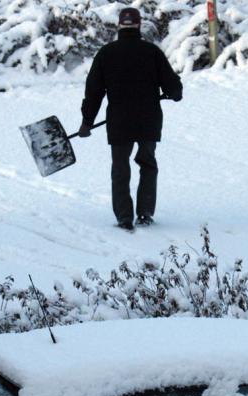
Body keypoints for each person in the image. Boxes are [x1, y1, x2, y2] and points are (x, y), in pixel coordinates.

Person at [78, 7, 183, 232]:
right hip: (148, 119)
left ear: (119, 25)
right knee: (147, 164)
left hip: (119, 121)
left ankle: (124, 218)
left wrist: (87, 122)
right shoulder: (151, 52)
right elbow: (173, 88)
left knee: (120, 168)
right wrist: (174, 93)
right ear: (138, 25)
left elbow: (94, 92)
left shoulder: (106, 53)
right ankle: (144, 214)